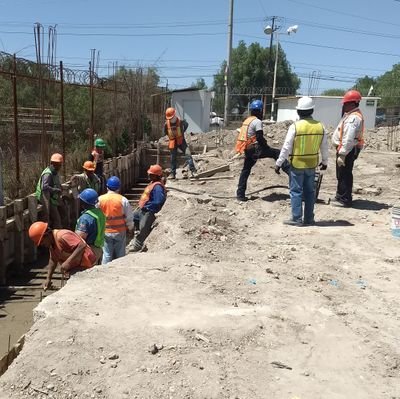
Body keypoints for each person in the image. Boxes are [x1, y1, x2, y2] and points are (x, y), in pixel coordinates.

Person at [275, 96, 329, 226]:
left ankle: (296, 218)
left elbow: (286, 147)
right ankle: (309, 218)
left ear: (298, 111)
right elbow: (324, 146)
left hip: (297, 164)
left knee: (296, 191)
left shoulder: (295, 127)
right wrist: (325, 162)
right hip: (312, 164)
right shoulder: (320, 127)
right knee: (310, 192)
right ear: (312, 110)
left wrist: (278, 163)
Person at [236, 99, 290, 201]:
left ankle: (240, 194)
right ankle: (291, 173)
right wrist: (266, 147)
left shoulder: (247, 121)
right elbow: (259, 137)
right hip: (255, 149)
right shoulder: (257, 121)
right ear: (260, 111)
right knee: (276, 153)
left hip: (247, 149)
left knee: (246, 170)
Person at [28, 221, 97, 291]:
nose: (43, 245)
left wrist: (68, 262)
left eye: (42, 242)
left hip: (86, 263)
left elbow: (82, 245)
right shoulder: (52, 244)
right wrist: (48, 278)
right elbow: (53, 260)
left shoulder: (63, 236)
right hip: (77, 266)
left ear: (47, 235)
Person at [331, 90, 364, 207]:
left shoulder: (353, 118)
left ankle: (344, 199)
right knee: (342, 174)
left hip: (347, 150)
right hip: (347, 149)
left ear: (352, 103)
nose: (343, 105)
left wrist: (343, 154)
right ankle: (340, 196)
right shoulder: (351, 116)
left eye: (346, 103)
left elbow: (348, 138)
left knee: (344, 174)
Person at [128, 165, 167, 253]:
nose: (149, 175)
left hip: (148, 211)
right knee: (133, 217)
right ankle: (135, 235)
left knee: (143, 229)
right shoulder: (153, 183)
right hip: (142, 209)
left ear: (156, 175)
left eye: (151, 174)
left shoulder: (157, 187)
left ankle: (138, 245)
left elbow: (158, 201)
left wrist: (148, 207)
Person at [98, 176, 134, 264]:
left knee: (106, 254)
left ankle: (104, 271)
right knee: (120, 254)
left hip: (105, 231)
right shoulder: (123, 200)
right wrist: (130, 228)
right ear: (118, 188)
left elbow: (97, 215)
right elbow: (129, 217)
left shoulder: (100, 199)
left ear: (107, 187)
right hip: (120, 231)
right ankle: (119, 270)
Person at [163, 107, 197, 179]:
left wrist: (182, 132)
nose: (170, 119)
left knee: (188, 154)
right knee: (173, 158)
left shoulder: (181, 121)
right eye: (169, 118)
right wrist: (170, 136)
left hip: (181, 140)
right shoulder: (166, 124)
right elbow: (165, 132)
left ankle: (193, 171)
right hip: (172, 141)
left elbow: (186, 125)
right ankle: (173, 174)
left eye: (171, 117)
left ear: (175, 115)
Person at [35, 153, 67, 229]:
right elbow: (44, 187)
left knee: (64, 212)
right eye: (57, 164)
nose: (59, 166)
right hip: (46, 198)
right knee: (56, 219)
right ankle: (56, 234)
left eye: (59, 164)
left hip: (53, 197)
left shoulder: (54, 172)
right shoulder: (48, 173)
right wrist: (55, 190)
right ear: (52, 163)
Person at [75, 188, 106, 264]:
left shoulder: (85, 218)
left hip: (88, 250)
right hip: (98, 248)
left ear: (83, 203)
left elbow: (80, 239)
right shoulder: (100, 213)